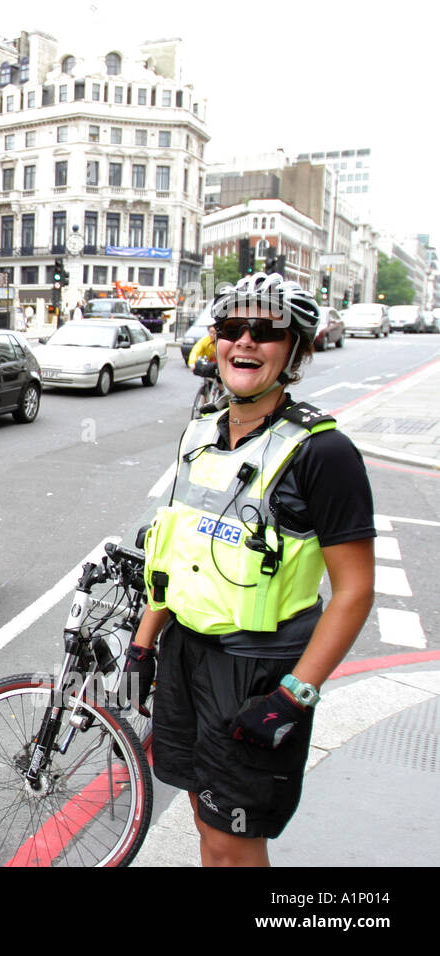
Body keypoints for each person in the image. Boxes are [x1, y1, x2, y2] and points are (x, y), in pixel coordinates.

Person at [124, 272, 375, 867]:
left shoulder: (324, 453)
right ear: (215, 342)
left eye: (265, 331)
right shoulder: (198, 435)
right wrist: (143, 644)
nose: (245, 342)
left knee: (234, 841)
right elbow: (174, 550)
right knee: (203, 819)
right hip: (187, 654)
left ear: (296, 350)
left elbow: (355, 590)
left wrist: (296, 695)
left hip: (259, 670)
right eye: (232, 328)